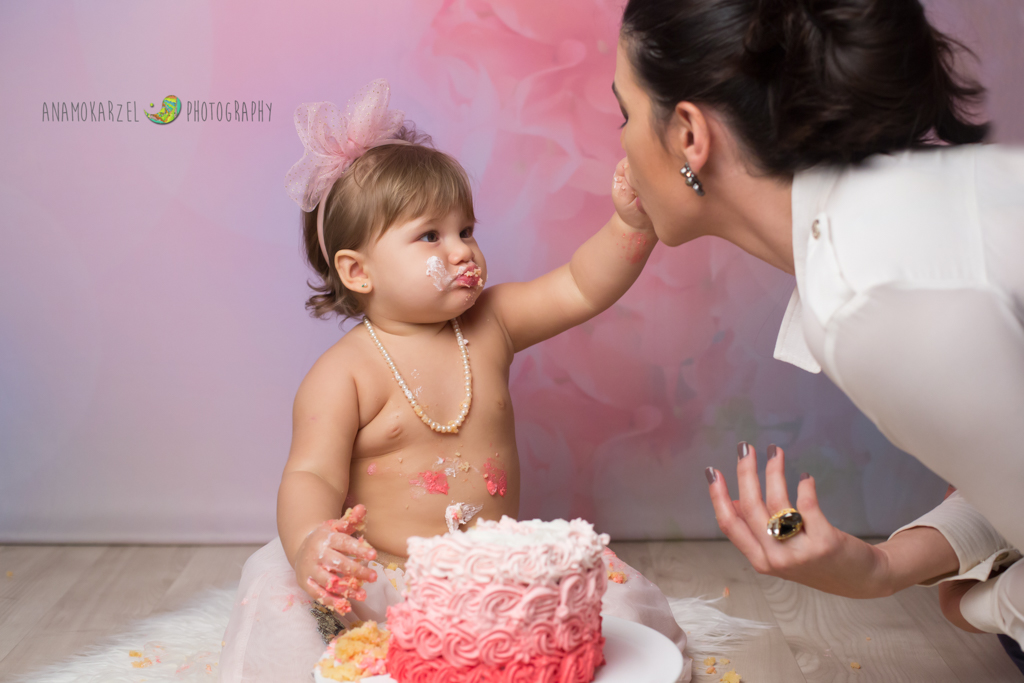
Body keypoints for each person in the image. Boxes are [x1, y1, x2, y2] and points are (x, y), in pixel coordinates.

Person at [218, 80, 693, 683]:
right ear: (358, 271)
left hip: (496, 581)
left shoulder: (490, 322)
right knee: (285, 612)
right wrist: (314, 539)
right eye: (431, 236)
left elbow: (579, 286)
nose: (463, 249)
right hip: (386, 581)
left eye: (466, 229)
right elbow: (310, 474)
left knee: (615, 603)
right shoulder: (344, 373)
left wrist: (631, 225)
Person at [612, 0, 1024, 666]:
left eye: (624, 113)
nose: (623, 147)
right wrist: (884, 567)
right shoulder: (877, 234)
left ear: (689, 134)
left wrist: (990, 606)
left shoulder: (870, 299)